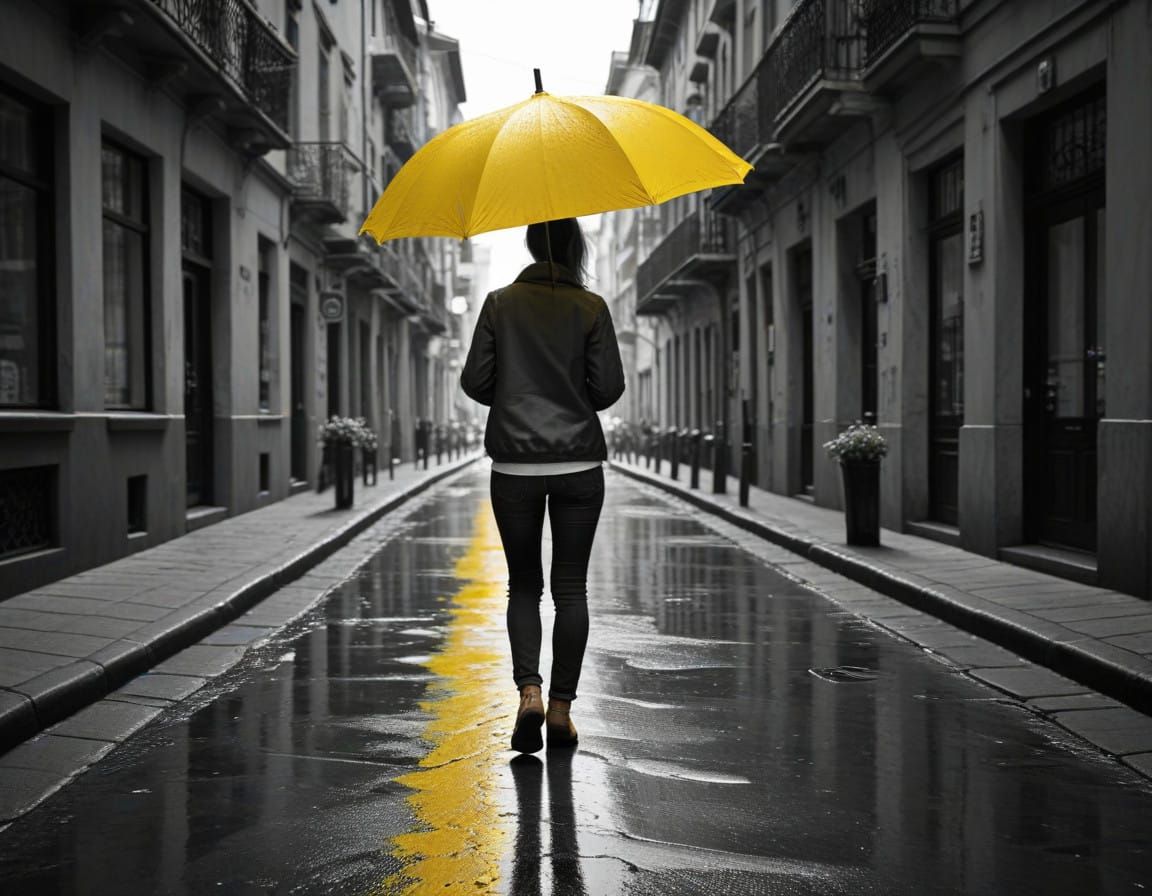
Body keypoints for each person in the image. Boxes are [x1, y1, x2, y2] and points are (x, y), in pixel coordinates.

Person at [460, 217, 625, 754]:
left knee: (524, 586)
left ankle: (528, 693)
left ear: (530, 245)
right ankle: (559, 709)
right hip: (579, 464)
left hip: (513, 468)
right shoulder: (590, 307)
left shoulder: (499, 303)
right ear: (576, 246)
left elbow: (475, 381)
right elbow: (608, 389)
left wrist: (515, 394)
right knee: (571, 588)